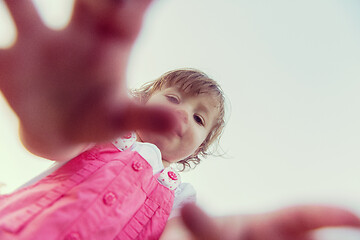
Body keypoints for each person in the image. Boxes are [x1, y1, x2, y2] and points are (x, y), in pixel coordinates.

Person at [0, 0, 359, 240]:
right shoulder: (105, 137)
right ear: (142, 100)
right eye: (173, 98)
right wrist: (59, 117)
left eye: (200, 118)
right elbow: (52, 143)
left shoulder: (180, 196)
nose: (183, 113)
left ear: (199, 148)